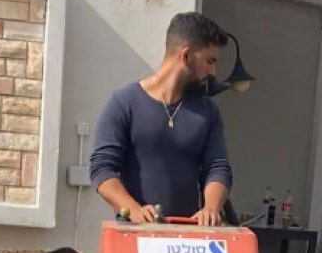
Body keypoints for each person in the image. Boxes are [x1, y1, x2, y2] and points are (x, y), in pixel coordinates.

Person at [89, 12, 234, 226]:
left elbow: (218, 167)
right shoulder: (124, 103)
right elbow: (102, 169)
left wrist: (211, 208)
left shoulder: (208, 111)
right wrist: (134, 210)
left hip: (186, 237)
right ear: (186, 56)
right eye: (209, 61)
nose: (213, 72)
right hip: (134, 235)